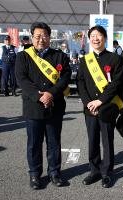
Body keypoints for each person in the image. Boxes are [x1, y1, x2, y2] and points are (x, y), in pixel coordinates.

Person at [15, 22, 71, 190]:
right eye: (37, 36)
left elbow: (65, 76)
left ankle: (54, 172)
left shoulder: (59, 55)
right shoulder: (23, 56)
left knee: (54, 142)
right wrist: (39, 96)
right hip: (33, 106)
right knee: (34, 143)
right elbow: (22, 79)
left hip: (54, 105)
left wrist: (50, 93)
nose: (41, 39)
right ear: (32, 38)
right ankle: (34, 174)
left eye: (44, 35)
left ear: (49, 37)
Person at [77, 25, 123, 188]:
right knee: (92, 140)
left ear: (105, 38)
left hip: (107, 107)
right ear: (90, 39)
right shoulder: (84, 60)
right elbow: (80, 83)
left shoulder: (115, 59)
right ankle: (94, 170)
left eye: (99, 35)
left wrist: (100, 101)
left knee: (107, 140)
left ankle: (107, 172)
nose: (96, 39)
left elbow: (116, 83)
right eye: (93, 36)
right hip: (89, 108)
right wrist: (88, 102)